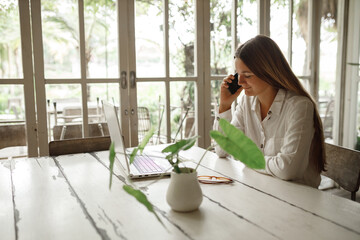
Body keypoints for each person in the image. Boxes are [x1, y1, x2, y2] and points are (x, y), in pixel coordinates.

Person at [213, 35, 326, 188]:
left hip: (298, 200)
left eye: (247, 75)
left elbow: (287, 169)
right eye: (238, 74)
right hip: (261, 190)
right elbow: (221, 149)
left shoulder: (299, 107)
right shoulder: (247, 102)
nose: (240, 82)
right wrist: (225, 106)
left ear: (269, 73)